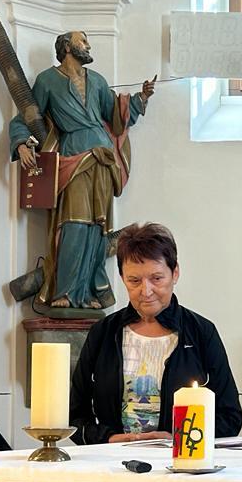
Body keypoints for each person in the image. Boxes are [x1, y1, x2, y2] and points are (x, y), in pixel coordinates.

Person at [9, 31, 156, 310]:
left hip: (103, 160)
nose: (88, 46)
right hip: (73, 157)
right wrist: (21, 144)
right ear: (67, 47)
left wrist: (140, 99)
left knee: (96, 228)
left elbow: (115, 118)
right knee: (73, 224)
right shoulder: (48, 80)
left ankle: (87, 294)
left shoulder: (97, 81)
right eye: (83, 41)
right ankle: (64, 292)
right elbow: (26, 118)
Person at [70, 222, 242, 444]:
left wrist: (178, 437)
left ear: (175, 273)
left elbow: (230, 417)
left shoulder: (201, 331)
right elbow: (75, 415)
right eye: (134, 280)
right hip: (112, 458)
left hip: (181, 459)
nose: (146, 291)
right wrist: (108, 438)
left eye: (157, 278)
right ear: (122, 278)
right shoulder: (103, 332)